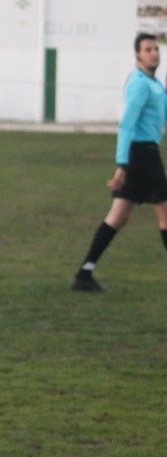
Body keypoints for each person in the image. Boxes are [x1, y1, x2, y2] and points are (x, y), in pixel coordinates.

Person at [71, 33, 167, 292]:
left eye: (156, 49)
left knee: (118, 216)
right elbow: (126, 124)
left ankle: (84, 273)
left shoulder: (155, 84)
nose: (154, 53)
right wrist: (122, 164)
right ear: (137, 54)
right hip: (142, 155)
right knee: (164, 211)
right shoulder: (139, 84)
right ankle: (84, 273)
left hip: (146, 153)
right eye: (148, 49)